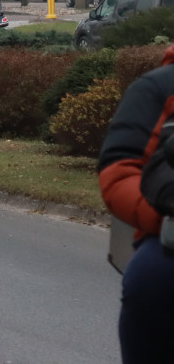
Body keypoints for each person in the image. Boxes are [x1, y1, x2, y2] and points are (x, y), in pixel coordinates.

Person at [98, 45, 174, 363]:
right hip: (168, 233)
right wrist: (162, 217)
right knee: (151, 280)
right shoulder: (159, 87)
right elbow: (120, 169)